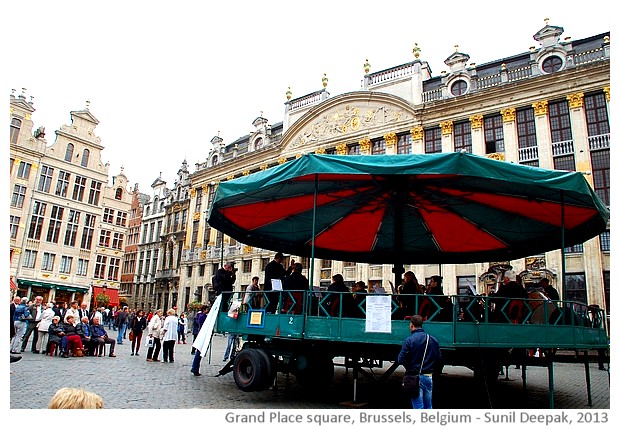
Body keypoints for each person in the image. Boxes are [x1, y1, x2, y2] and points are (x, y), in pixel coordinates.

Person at [398, 315, 442, 409]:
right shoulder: (433, 340)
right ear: (422, 325)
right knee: (428, 405)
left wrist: (410, 366)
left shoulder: (408, 341)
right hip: (428, 376)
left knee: (418, 406)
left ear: (411, 325)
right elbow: (438, 358)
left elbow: (400, 360)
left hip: (414, 377)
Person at [190, 305, 211, 376]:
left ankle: (195, 368)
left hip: (200, 334)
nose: (208, 311)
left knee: (199, 352)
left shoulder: (199, 315)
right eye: (207, 309)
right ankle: (195, 368)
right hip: (202, 334)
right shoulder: (203, 316)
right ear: (204, 310)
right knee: (199, 353)